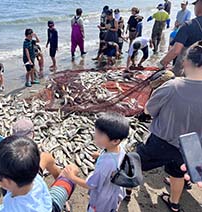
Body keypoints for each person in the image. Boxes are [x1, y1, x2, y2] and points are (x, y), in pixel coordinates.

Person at [137, 41, 202, 212]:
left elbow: (149, 109)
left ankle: (127, 190)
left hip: (162, 141)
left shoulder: (173, 86)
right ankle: (174, 204)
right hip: (191, 146)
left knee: (137, 163)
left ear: (187, 62)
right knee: (178, 173)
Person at [0, 136, 76, 212]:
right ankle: (65, 200)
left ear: (6, 182)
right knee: (70, 176)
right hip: (50, 206)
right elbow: (45, 157)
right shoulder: (33, 176)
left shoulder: (12, 207)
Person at [63, 112, 129, 212]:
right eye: (96, 132)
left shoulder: (106, 164)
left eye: (100, 134)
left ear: (115, 141)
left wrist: (72, 177)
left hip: (102, 201)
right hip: (114, 193)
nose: (95, 136)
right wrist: (100, 156)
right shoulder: (120, 149)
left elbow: (91, 185)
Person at [159, 0, 202, 76]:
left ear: (199, 6)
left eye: (195, 5)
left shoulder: (188, 25)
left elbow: (176, 50)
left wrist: (163, 62)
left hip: (187, 70)